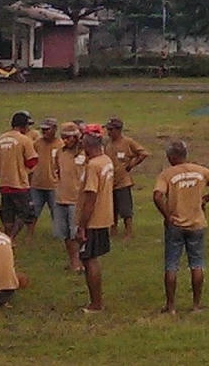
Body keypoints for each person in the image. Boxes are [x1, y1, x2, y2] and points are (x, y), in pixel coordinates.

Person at [153, 140, 209, 314]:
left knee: (171, 265)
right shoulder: (200, 171)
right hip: (197, 223)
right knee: (197, 264)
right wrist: (205, 199)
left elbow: (157, 196)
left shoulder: (167, 174)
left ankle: (171, 306)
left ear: (171, 156)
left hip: (176, 224)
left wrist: (167, 216)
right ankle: (196, 304)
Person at [77, 124, 115, 313]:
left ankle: (96, 303)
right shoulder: (106, 160)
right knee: (92, 258)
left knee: (89, 259)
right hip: (104, 216)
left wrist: (82, 226)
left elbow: (90, 197)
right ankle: (96, 301)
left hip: (93, 219)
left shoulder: (93, 166)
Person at [0, 111, 38, 239]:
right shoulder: (25, 140)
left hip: (4, 183)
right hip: (19, 183)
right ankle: (11, 237)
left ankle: (8, 234)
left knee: (7, 213)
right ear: (24, 126)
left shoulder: (0, 138)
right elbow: (32, 162)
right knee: (24, 212)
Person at [106, 117, 149, 240]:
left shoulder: (128, 142)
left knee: (125, 209)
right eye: (108, 130)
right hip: (110, 181)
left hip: (123, 181)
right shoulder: (108, 144)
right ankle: (112, 230)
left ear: (118, 130)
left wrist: (132, 164)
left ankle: (128, 232)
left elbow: (143, 153)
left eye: (111, 130)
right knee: (111, 208)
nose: (109, 132)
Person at [55, 122, 85, 272]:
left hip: (77, 198)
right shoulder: (60, 152)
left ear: (76, 137)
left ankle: (79, 262)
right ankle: (73, 261)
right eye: (63, 137)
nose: (65, 141)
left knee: (76, 234)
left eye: (68, 138)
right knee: (65, 233)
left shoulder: (85, 152)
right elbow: (58, 170)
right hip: (61, 197)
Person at [27, 117, 62, 239]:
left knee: (56, 212)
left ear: (54, 129)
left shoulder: (61, 145)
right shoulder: (37, 144)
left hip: (54, 184)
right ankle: (29, 235)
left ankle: (59, 235)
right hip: (37, 184)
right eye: (42, 129)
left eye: (47, 129)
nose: (44, 132)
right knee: (33, 212)